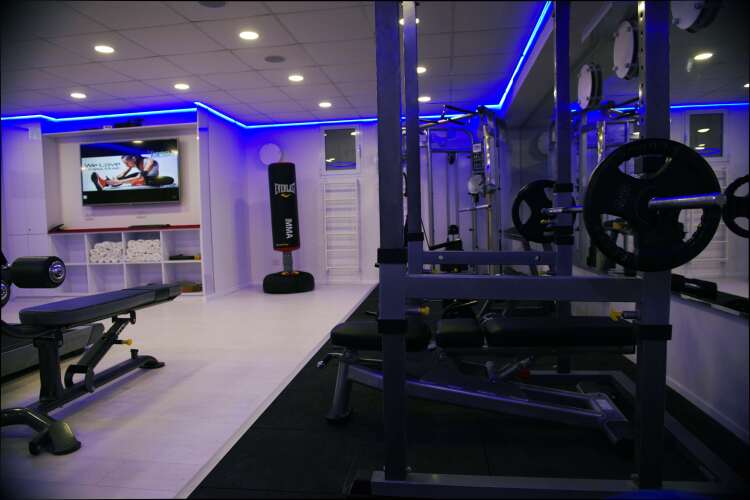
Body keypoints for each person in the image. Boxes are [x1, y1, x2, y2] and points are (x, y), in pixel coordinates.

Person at [91, 154, 159, 191]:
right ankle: (104, 183)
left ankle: (106, 183)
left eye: (126, 163)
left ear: (133, 159)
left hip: (152, 180)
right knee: (121, 179)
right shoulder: (135, 161)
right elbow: (124, 173)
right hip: (144, 178)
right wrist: (116, 179)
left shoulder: (149, 161)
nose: (126, 165)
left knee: (137, 176)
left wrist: (119, 181)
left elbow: (139, 177)